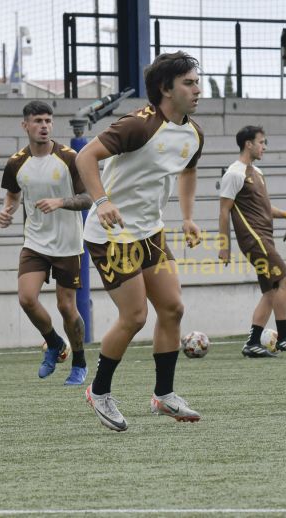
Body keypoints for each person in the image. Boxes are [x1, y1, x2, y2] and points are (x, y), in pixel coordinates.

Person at [75, 51, 204, 432]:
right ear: (166, 89)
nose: (198, 89)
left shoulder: (194, 133)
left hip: (151, 232)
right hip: (112, 236)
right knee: (134, 317)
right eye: (189, 83)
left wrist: (187, 217)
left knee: (173, 308)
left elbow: (188, 171)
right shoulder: (138, 125)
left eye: (197, 81)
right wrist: (101, 202)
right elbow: (86, 157)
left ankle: (163, 395)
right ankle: (99, 392)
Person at [0, 101, 92, 385]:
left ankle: (79, 362)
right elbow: (14, 195)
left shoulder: (69, 157)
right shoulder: (16, 162)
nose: (44, 126)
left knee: (66, 307)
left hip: (68, 243)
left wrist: (61, 201)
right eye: (38, 121)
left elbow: (89, 197)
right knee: (26, 298)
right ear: (25, 125)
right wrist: (8, 211)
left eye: (48, 121)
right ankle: (54, 343)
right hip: (35, 241)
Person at [218, 126, 286, 358]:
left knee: (271, 291)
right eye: (261, 142)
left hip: (264, 237)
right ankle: (284, 337)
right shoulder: (234, 173)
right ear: (248, 144)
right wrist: (224, 246)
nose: (264, 146)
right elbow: (223, 211)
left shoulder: (257, 172)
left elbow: (265, 208)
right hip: (254, 239)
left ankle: (252, 343)